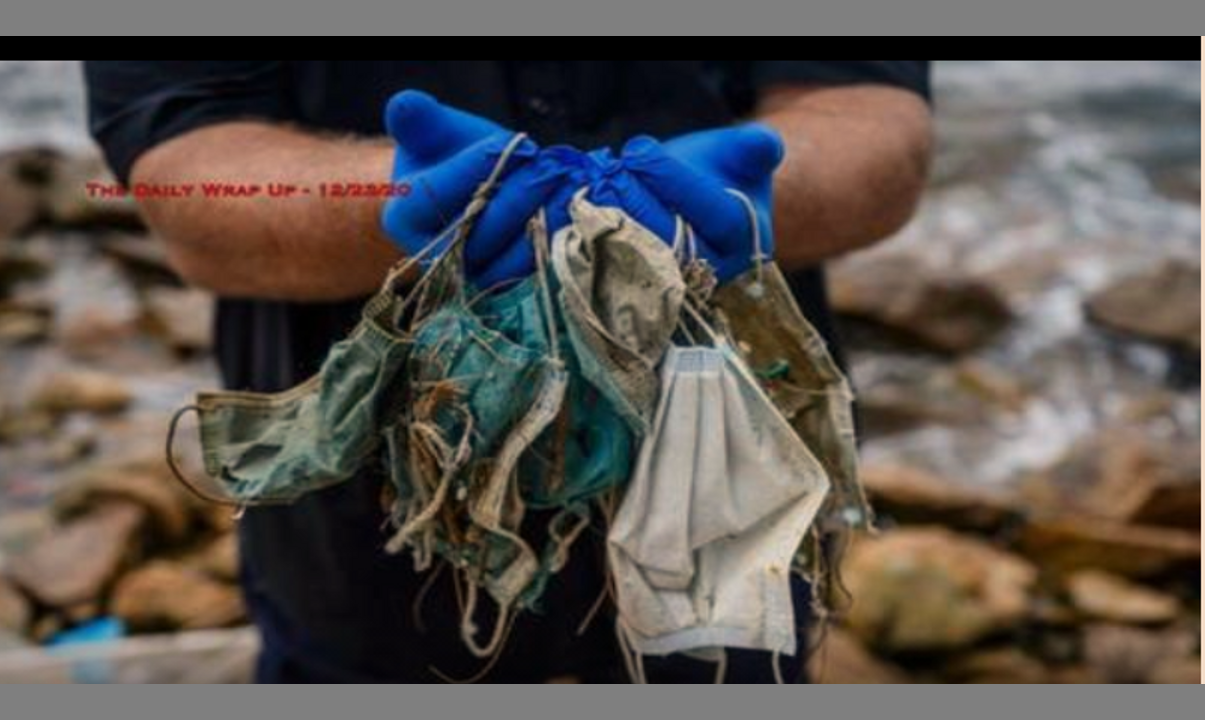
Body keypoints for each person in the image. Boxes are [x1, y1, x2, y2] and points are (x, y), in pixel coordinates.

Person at [85, 61, 933, 684]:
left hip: (727, 515)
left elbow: (874, 118)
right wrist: (381, 200)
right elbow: (183, 171)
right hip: (366, 556)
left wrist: (775, 186)